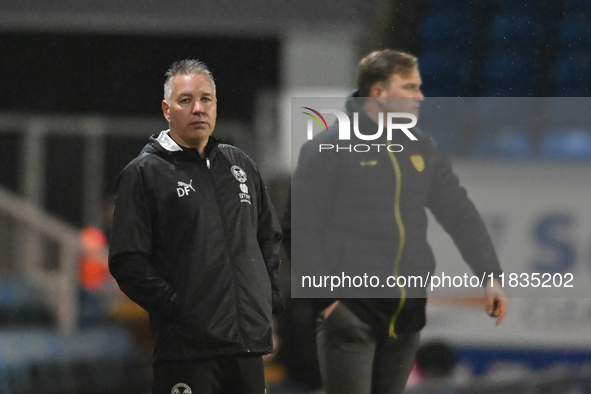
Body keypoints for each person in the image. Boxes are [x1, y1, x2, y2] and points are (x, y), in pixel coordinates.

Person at [289, 49, 507, 394]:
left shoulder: (421, 146)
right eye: (409, 87)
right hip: (351, 312)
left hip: (407, 315)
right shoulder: (327, 148)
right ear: (377, 92)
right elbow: (300, 230)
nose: (420, 96)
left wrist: (490, 273)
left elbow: (458, 211)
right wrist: (328, 302)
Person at [108, 59, 283, 394]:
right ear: (166, 109)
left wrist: (266, 300)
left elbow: (268, 237)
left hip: (247, 347)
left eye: (206, 99)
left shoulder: (240, 165)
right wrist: (179, 307)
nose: (198, 108)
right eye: (186, 100)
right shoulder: (145, 173)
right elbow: (127, 260)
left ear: (216, 106)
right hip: (187, 352)